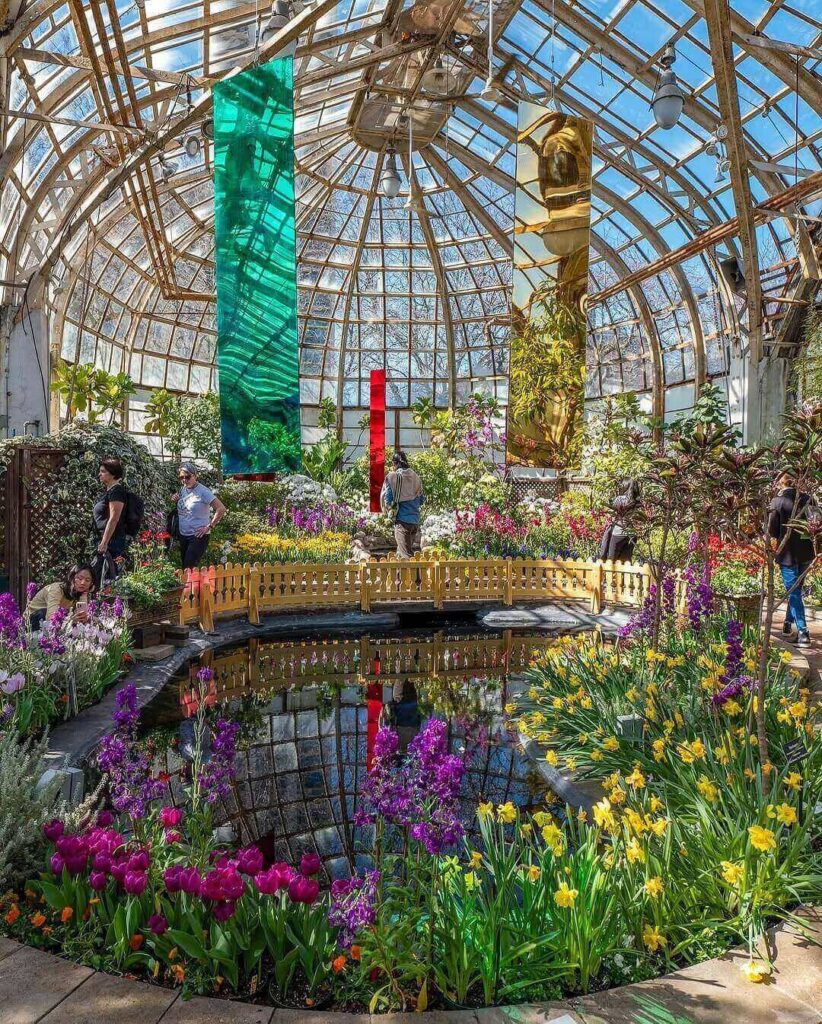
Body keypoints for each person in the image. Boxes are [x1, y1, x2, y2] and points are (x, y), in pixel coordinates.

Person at [768, 472, 815, 648]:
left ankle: (803, 632)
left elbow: (772, 530)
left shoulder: (777, 502)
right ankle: (788, 625)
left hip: (787, 552)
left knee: (793, 592)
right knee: (796, 590)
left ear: (780, 483)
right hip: (806, 550)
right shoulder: (808, 498)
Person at [173, 463, 226, 569]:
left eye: (187, 477)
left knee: (189, 567)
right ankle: (191, 585)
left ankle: (191, 586)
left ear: (195, 476)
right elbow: (186, 507)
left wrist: (209, 526)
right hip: (183, 534)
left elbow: (221, 508)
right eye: (181, 477)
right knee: (185, 567)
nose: (184, 480)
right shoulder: (183, 489)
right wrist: (177, 500)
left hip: (198, 536)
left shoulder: (203, 492)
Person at [381, 451, 424, 558]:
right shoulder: (416, 477)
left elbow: (388, 500)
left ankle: (418, 575)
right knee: (400, 554)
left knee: (406, 555)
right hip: (414, 521)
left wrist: (389, 509)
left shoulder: (393, 477)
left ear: (395, 463)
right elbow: (421, 500)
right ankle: (398, 576)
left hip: (402, 522)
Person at [26, 564, 95, 631]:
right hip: (31, 622)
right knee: (44, 613)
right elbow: (51, 618)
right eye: (80, 578)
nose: (83, 582)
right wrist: (71, 620)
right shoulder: (56, 589)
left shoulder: (80, 593)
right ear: (71, 578)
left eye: (87, 580)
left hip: (54, 625)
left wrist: (83, 596)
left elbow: (80, 620)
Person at [94, 457, 129, 562]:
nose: (99, 474)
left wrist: (104, 542)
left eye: (103, 472)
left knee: (110, 574)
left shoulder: (116, 491)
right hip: (106, 540)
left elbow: (114, 518)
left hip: (112, 542)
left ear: (113, 474)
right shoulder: (110, 491)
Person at [598, 478, 640, 562]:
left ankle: (609, 575)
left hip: (619, 532)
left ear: (625, 486)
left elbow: (612, 514)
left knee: (611, 560)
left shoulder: (619, 499)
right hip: (632, 534)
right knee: (625, 561)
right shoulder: (637, 501)